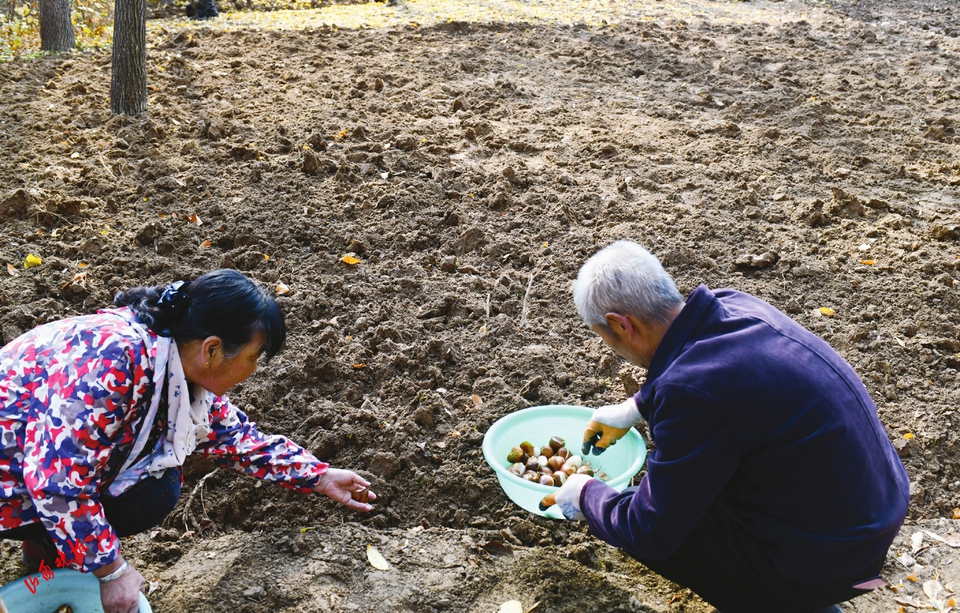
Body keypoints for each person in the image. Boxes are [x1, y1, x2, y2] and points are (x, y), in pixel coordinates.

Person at [540, 240, 909, 613]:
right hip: (877, 512)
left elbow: (650, 530)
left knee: (664, 529)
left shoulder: (691, 394)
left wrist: (587, 495)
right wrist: (636, 406)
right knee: (687, 491)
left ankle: (795, 602)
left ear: (621, 325)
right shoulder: (732, 304)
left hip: (842, 561)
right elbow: (713, 372)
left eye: (607, 339)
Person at [0, 270, 375, 613]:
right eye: (253, 357)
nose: (254, 370)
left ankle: (50, 551)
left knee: (156, 489)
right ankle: (53, 547)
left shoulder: (170, 365)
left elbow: (236, 438)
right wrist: (112, 572)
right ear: (212, 350)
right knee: (147, 493)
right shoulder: (115, 359)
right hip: (17, 482)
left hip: (31, 471)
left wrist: (319, 476)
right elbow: (56, 483)